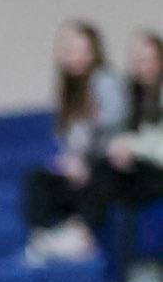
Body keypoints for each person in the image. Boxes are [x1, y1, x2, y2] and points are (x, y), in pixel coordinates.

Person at [79, 30, 163, 282]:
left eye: (149, 57)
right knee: (104, 176)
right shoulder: (133, 100)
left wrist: (136, 146)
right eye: (137, 58)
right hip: (142, 184)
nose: (141, 65)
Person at [22, 20, 125, 265]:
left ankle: (82, 234)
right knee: (36, 178)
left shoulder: (105, 81)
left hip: (103, 163)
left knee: (102, 172)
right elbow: (67, 140)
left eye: (82, 51)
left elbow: (114, 125)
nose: (76, 57)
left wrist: (85, 159)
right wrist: (69, 161)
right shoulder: (66, 94)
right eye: (70, 51)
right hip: (77, 168)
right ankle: (53, 235)